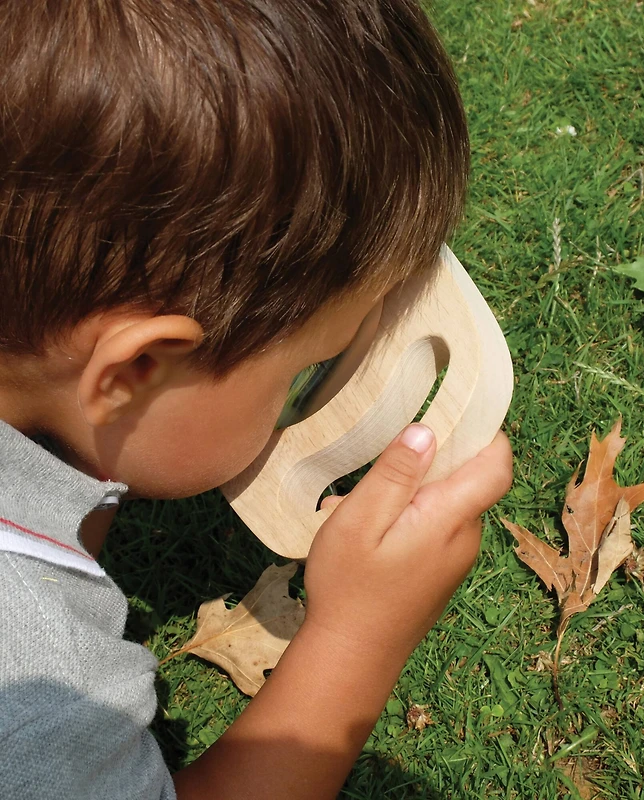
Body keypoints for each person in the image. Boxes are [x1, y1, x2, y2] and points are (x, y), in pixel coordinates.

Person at [0, 1, 513, 798]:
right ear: (134, 373)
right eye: (305, 373)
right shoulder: (37, 686)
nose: (304, 395)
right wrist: (356, 636)